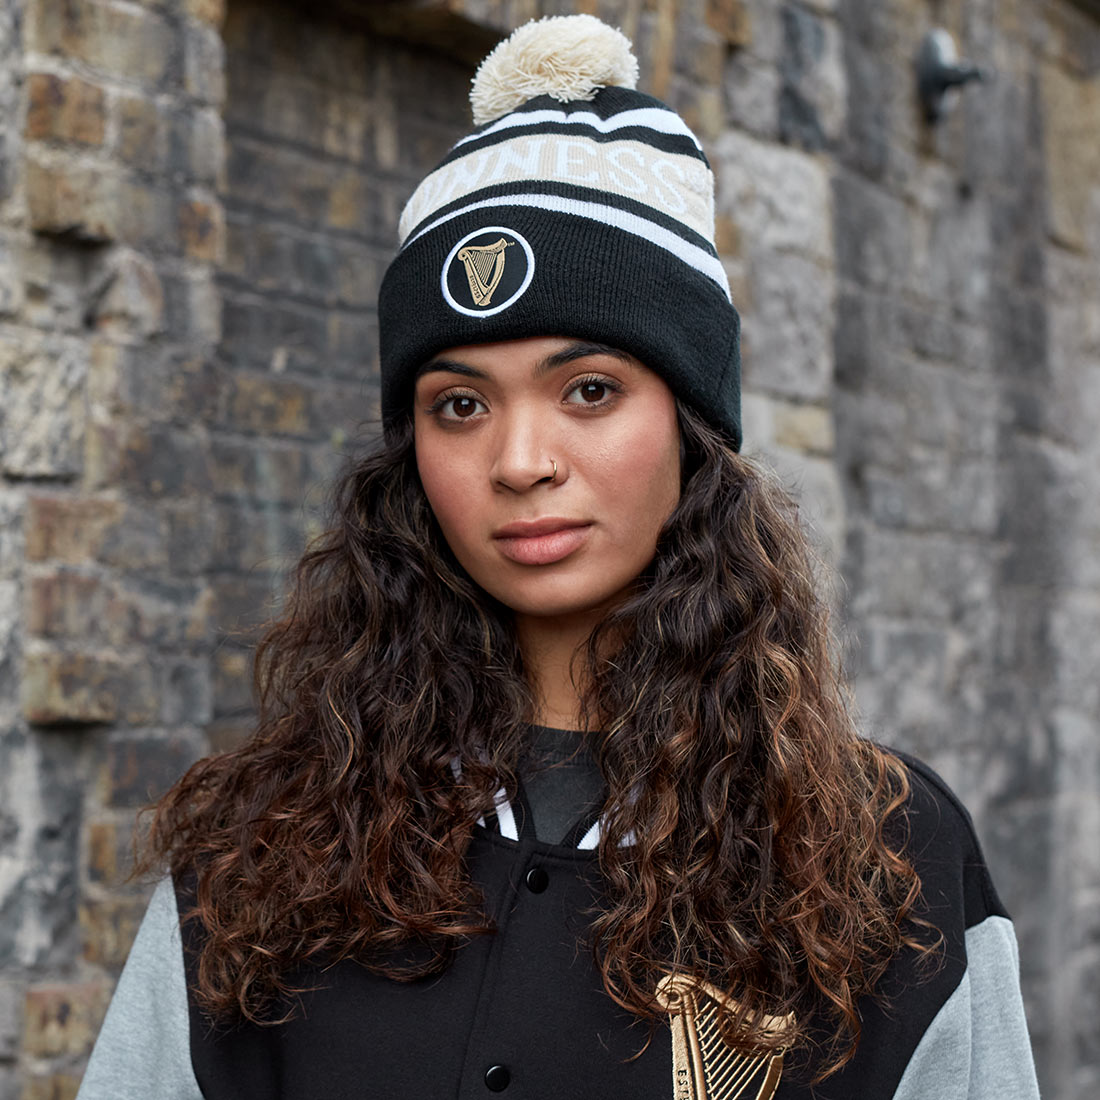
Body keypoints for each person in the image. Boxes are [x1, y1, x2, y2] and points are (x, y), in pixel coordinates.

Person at [77, 15, 1041, 1100]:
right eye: (458, 404)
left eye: (588, 389)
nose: (519, 459)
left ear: (690, 427)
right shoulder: (255, 849)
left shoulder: (894, 861)